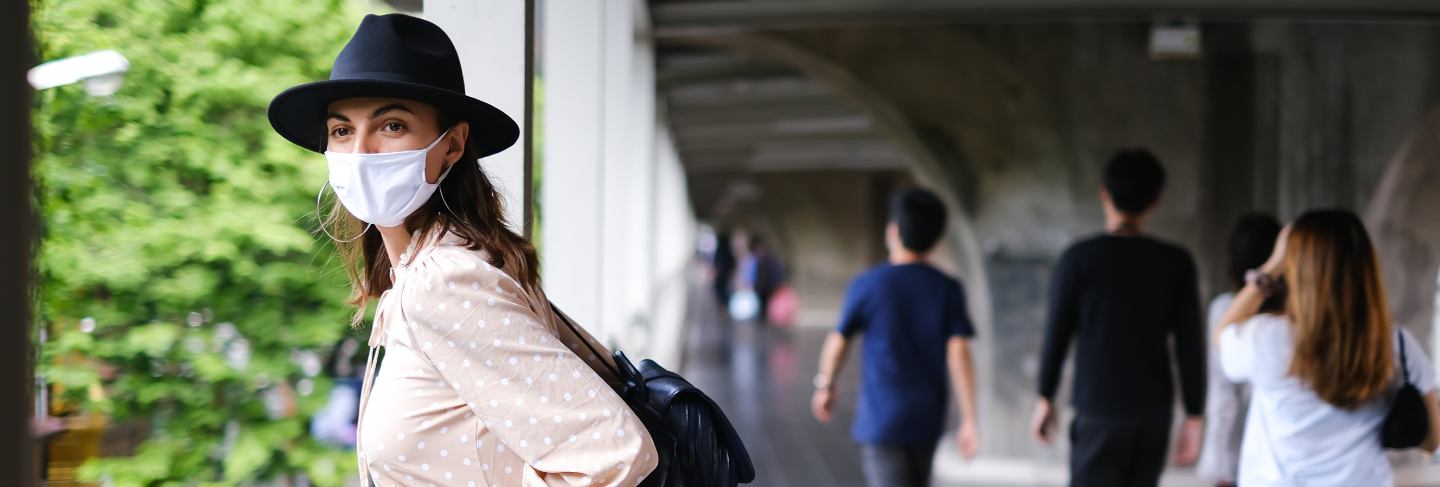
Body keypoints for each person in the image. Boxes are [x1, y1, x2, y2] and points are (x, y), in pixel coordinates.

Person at [267, 14, 656, 486]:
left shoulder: (444, 282)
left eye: (391, 125)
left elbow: (613, 453)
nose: (361, 152)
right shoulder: (435, 268)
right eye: (342, 131)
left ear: (452, 144)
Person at [1215, 209, 1440, 485]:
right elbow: (1434, 438)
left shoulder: (1267, 338)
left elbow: (1222, 335)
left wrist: (1270, 267)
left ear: (1295, 268)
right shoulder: (1396, 342)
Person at [1032, 148, 1205, 487]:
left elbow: (1056, 334)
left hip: (1097, 408)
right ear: (1156, 202)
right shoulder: (1175, 262)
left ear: (1104, 194)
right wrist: (1194, 415)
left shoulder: (1078, 259)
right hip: (1152, 411)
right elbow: (1189, 345)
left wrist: (1045, 397)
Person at [810, 188, 980, 487]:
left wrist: (826, 385)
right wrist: (969, 418)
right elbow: (959, 353)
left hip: (882, 419)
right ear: (938, 237)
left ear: (893, 231)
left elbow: (839, 341)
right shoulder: (948, 288)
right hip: (928, 418)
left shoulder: (868, 284)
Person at [1196, 214, 1281, 486]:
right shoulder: (1293, 315)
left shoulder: (1226, 310)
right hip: (1283, 449)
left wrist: (1218, 461)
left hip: (1241, 449)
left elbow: (1223, 393)